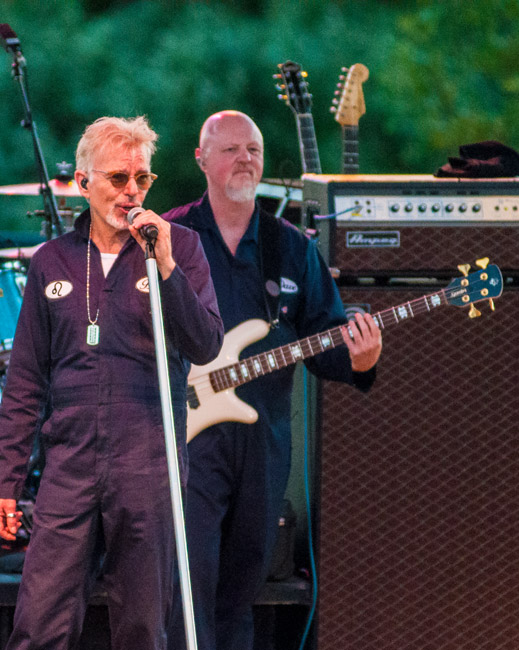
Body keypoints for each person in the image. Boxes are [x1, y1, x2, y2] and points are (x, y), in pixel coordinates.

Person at [0, 116, 225, 650]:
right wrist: (4, 481)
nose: (132, 191)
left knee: (142, 628)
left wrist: (167, 267)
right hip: (69, 466)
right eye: (118, 178)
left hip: (148, 465)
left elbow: (207, 343)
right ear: (83, 182)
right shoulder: (53, 261)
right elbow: (25, 381)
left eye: (142, 178)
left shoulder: (179, 248)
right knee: (39, 624)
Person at [163, 110, 383, 650]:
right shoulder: (170, 237)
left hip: (264, 441)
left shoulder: (290, 247)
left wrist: (362, 359)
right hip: (188, 439)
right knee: (189, 588)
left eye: (254, 150)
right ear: (201, 160)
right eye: (231, 150)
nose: (245, 159)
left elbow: (326, 341)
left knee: (243, 590)